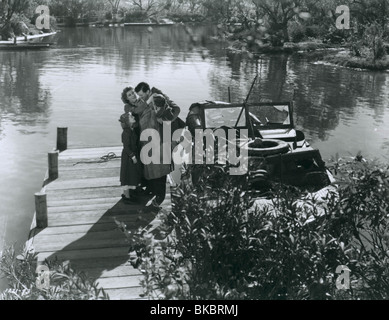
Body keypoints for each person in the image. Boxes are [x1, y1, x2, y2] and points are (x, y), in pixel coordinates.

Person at [125, 82, 181, 211]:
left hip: (160, 138)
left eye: (141, 95)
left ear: (148, 91)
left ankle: (159, 197)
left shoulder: (158, 97)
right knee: (149, 166)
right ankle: (151, 190)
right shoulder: (144, 101)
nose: (140, 98)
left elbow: (175, 110)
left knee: (160, 168)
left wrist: (166, 119)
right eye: (138, 95)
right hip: (148, 139)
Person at [119, 105, 142, 204]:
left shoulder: (131, 130)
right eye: (131, 117)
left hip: (131, 156)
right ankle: (127, 197)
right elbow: (126, 147)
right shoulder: (126, 133)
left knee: (131, 175)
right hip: (128, 158)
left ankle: (129, 194)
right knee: (127, 176)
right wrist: (133, 156)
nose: (133, 117)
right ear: (128, 122)